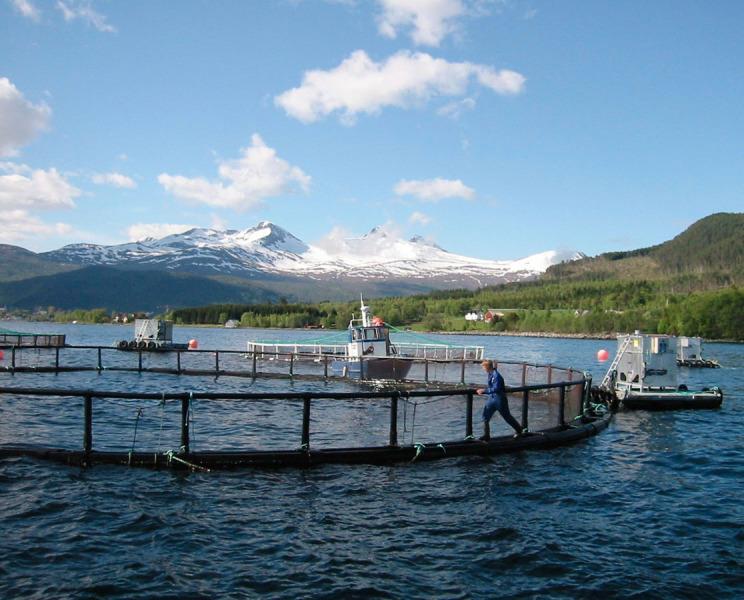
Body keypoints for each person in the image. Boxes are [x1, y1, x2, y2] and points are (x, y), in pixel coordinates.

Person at [476, 359, 524, 440]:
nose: (483, 369)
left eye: (483, 367)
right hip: (492, 398)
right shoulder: (490, 374)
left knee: (507, 416)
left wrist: (484, 390)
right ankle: (486, 435)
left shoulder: (496, 375)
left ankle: (519, 430)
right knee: (485, 416)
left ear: (487, 367)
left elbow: (496, 388)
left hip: (499, 399)